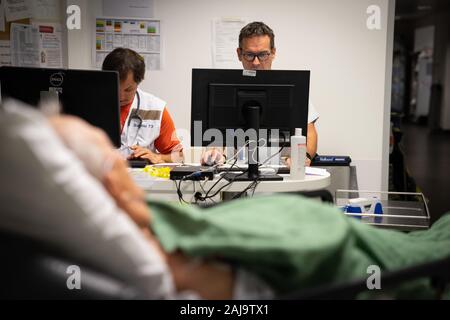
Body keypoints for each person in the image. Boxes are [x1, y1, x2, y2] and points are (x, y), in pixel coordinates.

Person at [1, 100, 450, 300]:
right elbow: (315, 240)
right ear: (111, 185)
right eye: (107, 152)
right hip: (341, 247)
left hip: (297, 224)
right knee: (433, 241)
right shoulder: (160, 242)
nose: (118, 154)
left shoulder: (135, 225)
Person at [201, 21, 319, 167]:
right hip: (236, 176)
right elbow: (217, 135)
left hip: (282, 174)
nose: (256, 62)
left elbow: (310, 134)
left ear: (273, 52)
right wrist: (215, 152)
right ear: (239, 54)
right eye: (249, 55)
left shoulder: (292, 90)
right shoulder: (223, 91)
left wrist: (304, 156)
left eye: (263, 55)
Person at [102, 48, 184, 164]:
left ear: (138, 82)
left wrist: (157, 157)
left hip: (142, 181)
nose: (120, 96)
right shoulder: (88, 106)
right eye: (115, 87)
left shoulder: (155, 109)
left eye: (128, 90)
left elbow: (179, 156)